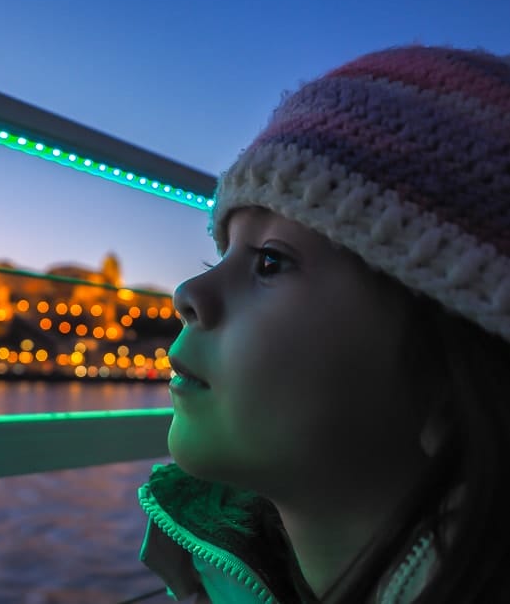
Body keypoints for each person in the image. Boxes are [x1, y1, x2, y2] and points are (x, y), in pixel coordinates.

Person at [137, 45, 510, 603]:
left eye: (269, 260)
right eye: (218, 257)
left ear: (449, 381)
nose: (190, 294)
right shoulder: (207, 582)